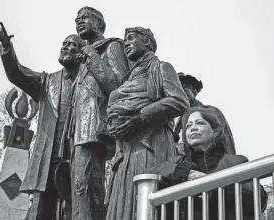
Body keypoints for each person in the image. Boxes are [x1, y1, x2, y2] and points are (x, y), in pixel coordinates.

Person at [0, 22, 85, 220]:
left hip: (76, 157)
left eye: (72, 45)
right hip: (48, 158)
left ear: (81, 53)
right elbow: (17, 73)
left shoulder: (88, 82)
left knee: (74, 210)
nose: (66, 47)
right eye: (64, 44)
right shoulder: (47, 81)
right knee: (41, 210)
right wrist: (7, 48)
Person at [105, 26, 190, 220]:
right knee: (123, 204)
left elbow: (179, 101)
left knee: (145, 203)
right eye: (124, 40)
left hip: (151, 144)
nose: (126, 43)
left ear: (147, 42)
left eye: (131, 38)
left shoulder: (161, 68)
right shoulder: (128, 80)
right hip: (125, 150)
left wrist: (139, 118)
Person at [65, 6, 129, 220]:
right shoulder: (83, 57)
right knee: (81, 189)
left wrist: (92, 56)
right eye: (76, 19)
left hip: (95, 128)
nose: (79, 22)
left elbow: (118, 85)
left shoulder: (110, 47)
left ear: (100, 23)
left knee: (84, 187)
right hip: (78, 133)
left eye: (84, 17)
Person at [154, 107, 268, 220]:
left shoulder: (235, 162)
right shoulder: (176, 162)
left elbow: (260, 199)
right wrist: (180, 172)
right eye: (188, 126)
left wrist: (214, 185)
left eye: (199, 123)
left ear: (215, 131)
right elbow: (151, 173)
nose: (193, 128)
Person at [174, 72, 236, 155]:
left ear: (194, 91)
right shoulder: (175, 120)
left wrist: (231, 163)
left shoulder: (212, 111)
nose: (181, 94)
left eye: (184, 89)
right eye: (178, 91)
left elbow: (227, 140)